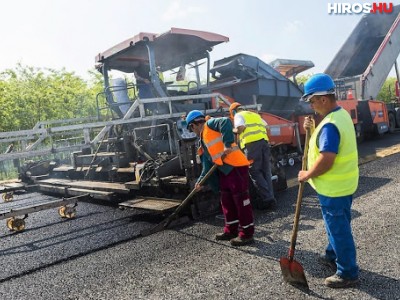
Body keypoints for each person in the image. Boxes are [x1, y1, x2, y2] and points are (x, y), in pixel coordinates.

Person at [298, 73, 359, 288]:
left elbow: (327, 159)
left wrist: (307, 174)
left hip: (334, 189)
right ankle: (331, 254)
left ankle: (348, 272)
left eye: (312, 100)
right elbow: (329, 145)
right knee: (338, 224)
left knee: (339, 229)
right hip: (345, 185)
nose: (311, 105)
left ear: (324, 98)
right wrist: (311, 129)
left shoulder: (330, 125)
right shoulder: (340, 116)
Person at [186, 110, 255, 246]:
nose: (193, 132)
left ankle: (246, 234)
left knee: (241, 201)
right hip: (225, 171)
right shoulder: (203, 142)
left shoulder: (210, 124)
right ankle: (231, 230)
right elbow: (206, 167)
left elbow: (225, 121)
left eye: (191, 129)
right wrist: (200, 182)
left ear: (193, 125)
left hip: (236, 166)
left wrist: (227, 144)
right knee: (227, 201)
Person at [230, 102, 276, 210]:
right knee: (266, 171)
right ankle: (271, 198)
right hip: (264, 143)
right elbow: (267, 127)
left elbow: (240, 128)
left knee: (254, 171)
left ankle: (267, 198)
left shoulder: (238, 115)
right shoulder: (254, 115)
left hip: (251, 145)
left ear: (233, 111)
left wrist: (233, 130)